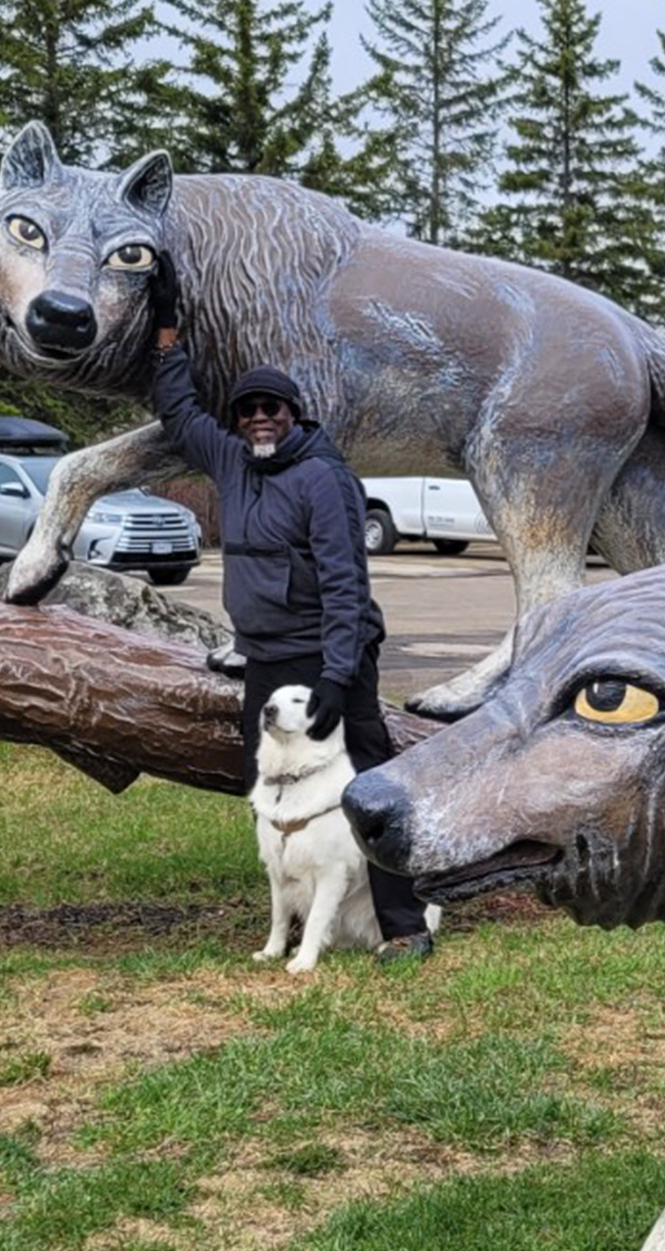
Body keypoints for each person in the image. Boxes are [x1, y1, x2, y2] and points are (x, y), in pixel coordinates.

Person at [148, 252, 433, 964]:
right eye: (247, 411)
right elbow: (178, 409)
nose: (258, 420)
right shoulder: (231, 459)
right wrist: (166, 332)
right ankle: (290, 918)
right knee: (272, 784)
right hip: (266, 657)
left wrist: (340, 676)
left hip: (330, 656)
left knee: (368, 785)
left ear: (292, 414)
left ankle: (404, 926)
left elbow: (345, 584)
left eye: (270, 408)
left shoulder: (322, 479)